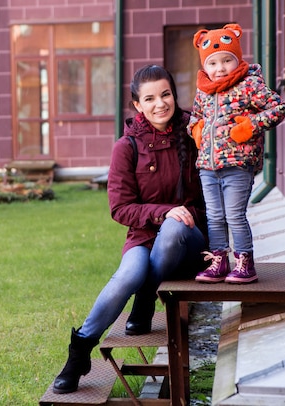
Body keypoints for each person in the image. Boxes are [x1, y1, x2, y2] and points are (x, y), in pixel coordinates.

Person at [52, 64, 207, 394]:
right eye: (149, 98)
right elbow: (120, 208)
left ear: (174, 96)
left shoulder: (195, 133)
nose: (160, 104)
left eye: (165, 95)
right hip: (143, 236)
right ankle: (79, 353)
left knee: (174, 229)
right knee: (126, 275)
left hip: (188, 240)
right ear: (137, 105)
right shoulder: (127, 147)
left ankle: (146, 299)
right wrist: (164, 212)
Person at [188, 24, 285, 284]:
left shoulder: (249, 85)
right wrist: (196, 130)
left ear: (237, 58)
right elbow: (194, 118)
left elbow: (278, 107)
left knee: (234, 215)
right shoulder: (204, 91)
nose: (219, 68)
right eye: (213, 63)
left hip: (237, 165)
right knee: (214, 216)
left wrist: (250, 127)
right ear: (205, 66)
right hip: (208, 167)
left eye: (226, 61)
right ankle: (219, 261)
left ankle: (245, 262)